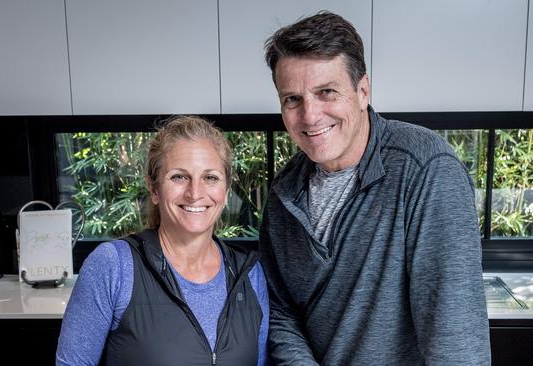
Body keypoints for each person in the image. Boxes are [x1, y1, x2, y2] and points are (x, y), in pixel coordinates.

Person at [260, 11, 491, 365]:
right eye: (293, 99)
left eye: (326, 92)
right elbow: (281, 309)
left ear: (362, 90)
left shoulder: (426, 170)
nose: (309, 115)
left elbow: (454, 335)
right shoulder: (283, 195)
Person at [56, 116, 269, 366]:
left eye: (210, 177)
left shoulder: (250, 274)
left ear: (225, 190)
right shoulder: (113, 266)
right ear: (154, 189)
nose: (195, 193)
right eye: (179, 177)